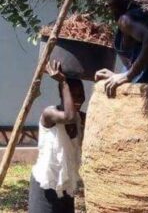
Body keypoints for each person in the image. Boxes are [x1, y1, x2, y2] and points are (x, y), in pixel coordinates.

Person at [28, 60, 86, 213]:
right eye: (74, 95)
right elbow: (68, 116)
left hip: (66, 186)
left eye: (81, 94)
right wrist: (63, 82)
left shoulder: (81, 118)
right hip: (45, 186)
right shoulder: (49, 114)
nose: (79, 99)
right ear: (63, 94)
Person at [95, 0, 148, 97]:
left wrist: (128, 76)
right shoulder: (146, 15)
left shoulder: (126, 20)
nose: (107, 4)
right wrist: (117, 76)